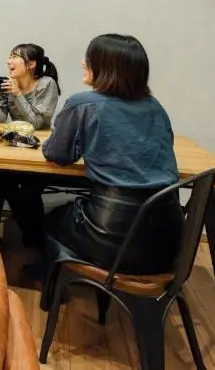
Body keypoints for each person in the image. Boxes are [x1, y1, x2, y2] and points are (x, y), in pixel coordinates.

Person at [41, 33, 183, 278]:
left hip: (112, 239)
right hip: (169, 241)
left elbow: (56, 153)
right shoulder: (155, 107)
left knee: (51, 217)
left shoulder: (83, 104)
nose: (83, 63)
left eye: (89, 59)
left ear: (106, 68)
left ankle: (46, 281)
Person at [0, 44, 61, 249]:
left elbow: (37, 124)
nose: (9, 61)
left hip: (41, 151)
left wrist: (17, 95)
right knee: (4, 180)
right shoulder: (10, 84)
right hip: (16, 147)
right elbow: (0, 120)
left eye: (15, 57)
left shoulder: (46, 84)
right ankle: (35, 237)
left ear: (31, 64)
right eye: (9, 57)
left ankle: (37, 239)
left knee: (28, 191)